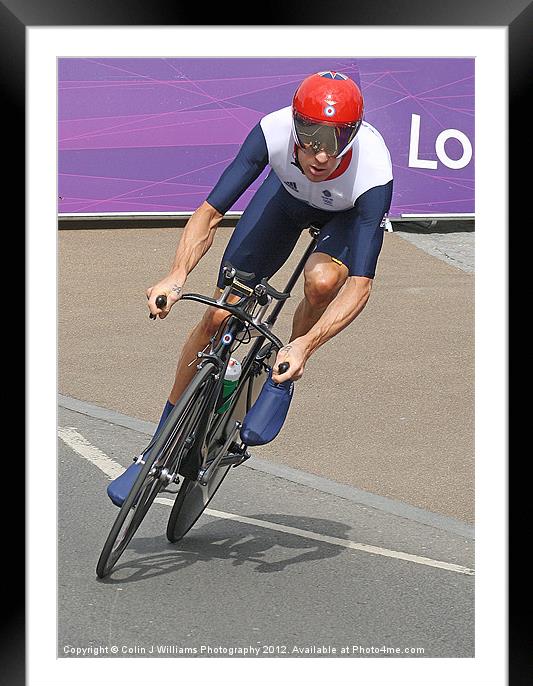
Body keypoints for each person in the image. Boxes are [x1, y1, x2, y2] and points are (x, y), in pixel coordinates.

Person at [107, 70, 393, 507]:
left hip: (345, 218)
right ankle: (155, 447)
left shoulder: (373, 169)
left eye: (334, 141)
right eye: (311, 137)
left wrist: (306, 346)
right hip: (286, 200)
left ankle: (286, 358)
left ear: (353, 136)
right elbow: (210, 212)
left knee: (322, 282)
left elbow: (360, 287)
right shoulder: (272, 131)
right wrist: (177, 274)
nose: (320, 154)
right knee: (220, 314)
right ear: (295, 124)